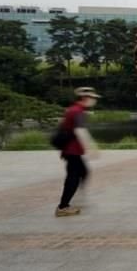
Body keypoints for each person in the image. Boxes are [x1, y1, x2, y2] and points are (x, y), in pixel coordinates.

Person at [56, 87, 100, 217]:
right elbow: (80, 131)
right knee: (73, 178)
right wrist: (91, 148)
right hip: (72, 151)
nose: (94, 101)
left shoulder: (74, 109)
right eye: (93, 98)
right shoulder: (78, 111)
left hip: (71, 150)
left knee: (83, 172)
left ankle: (76, 198)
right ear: (85, 98)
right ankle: (63, 207)